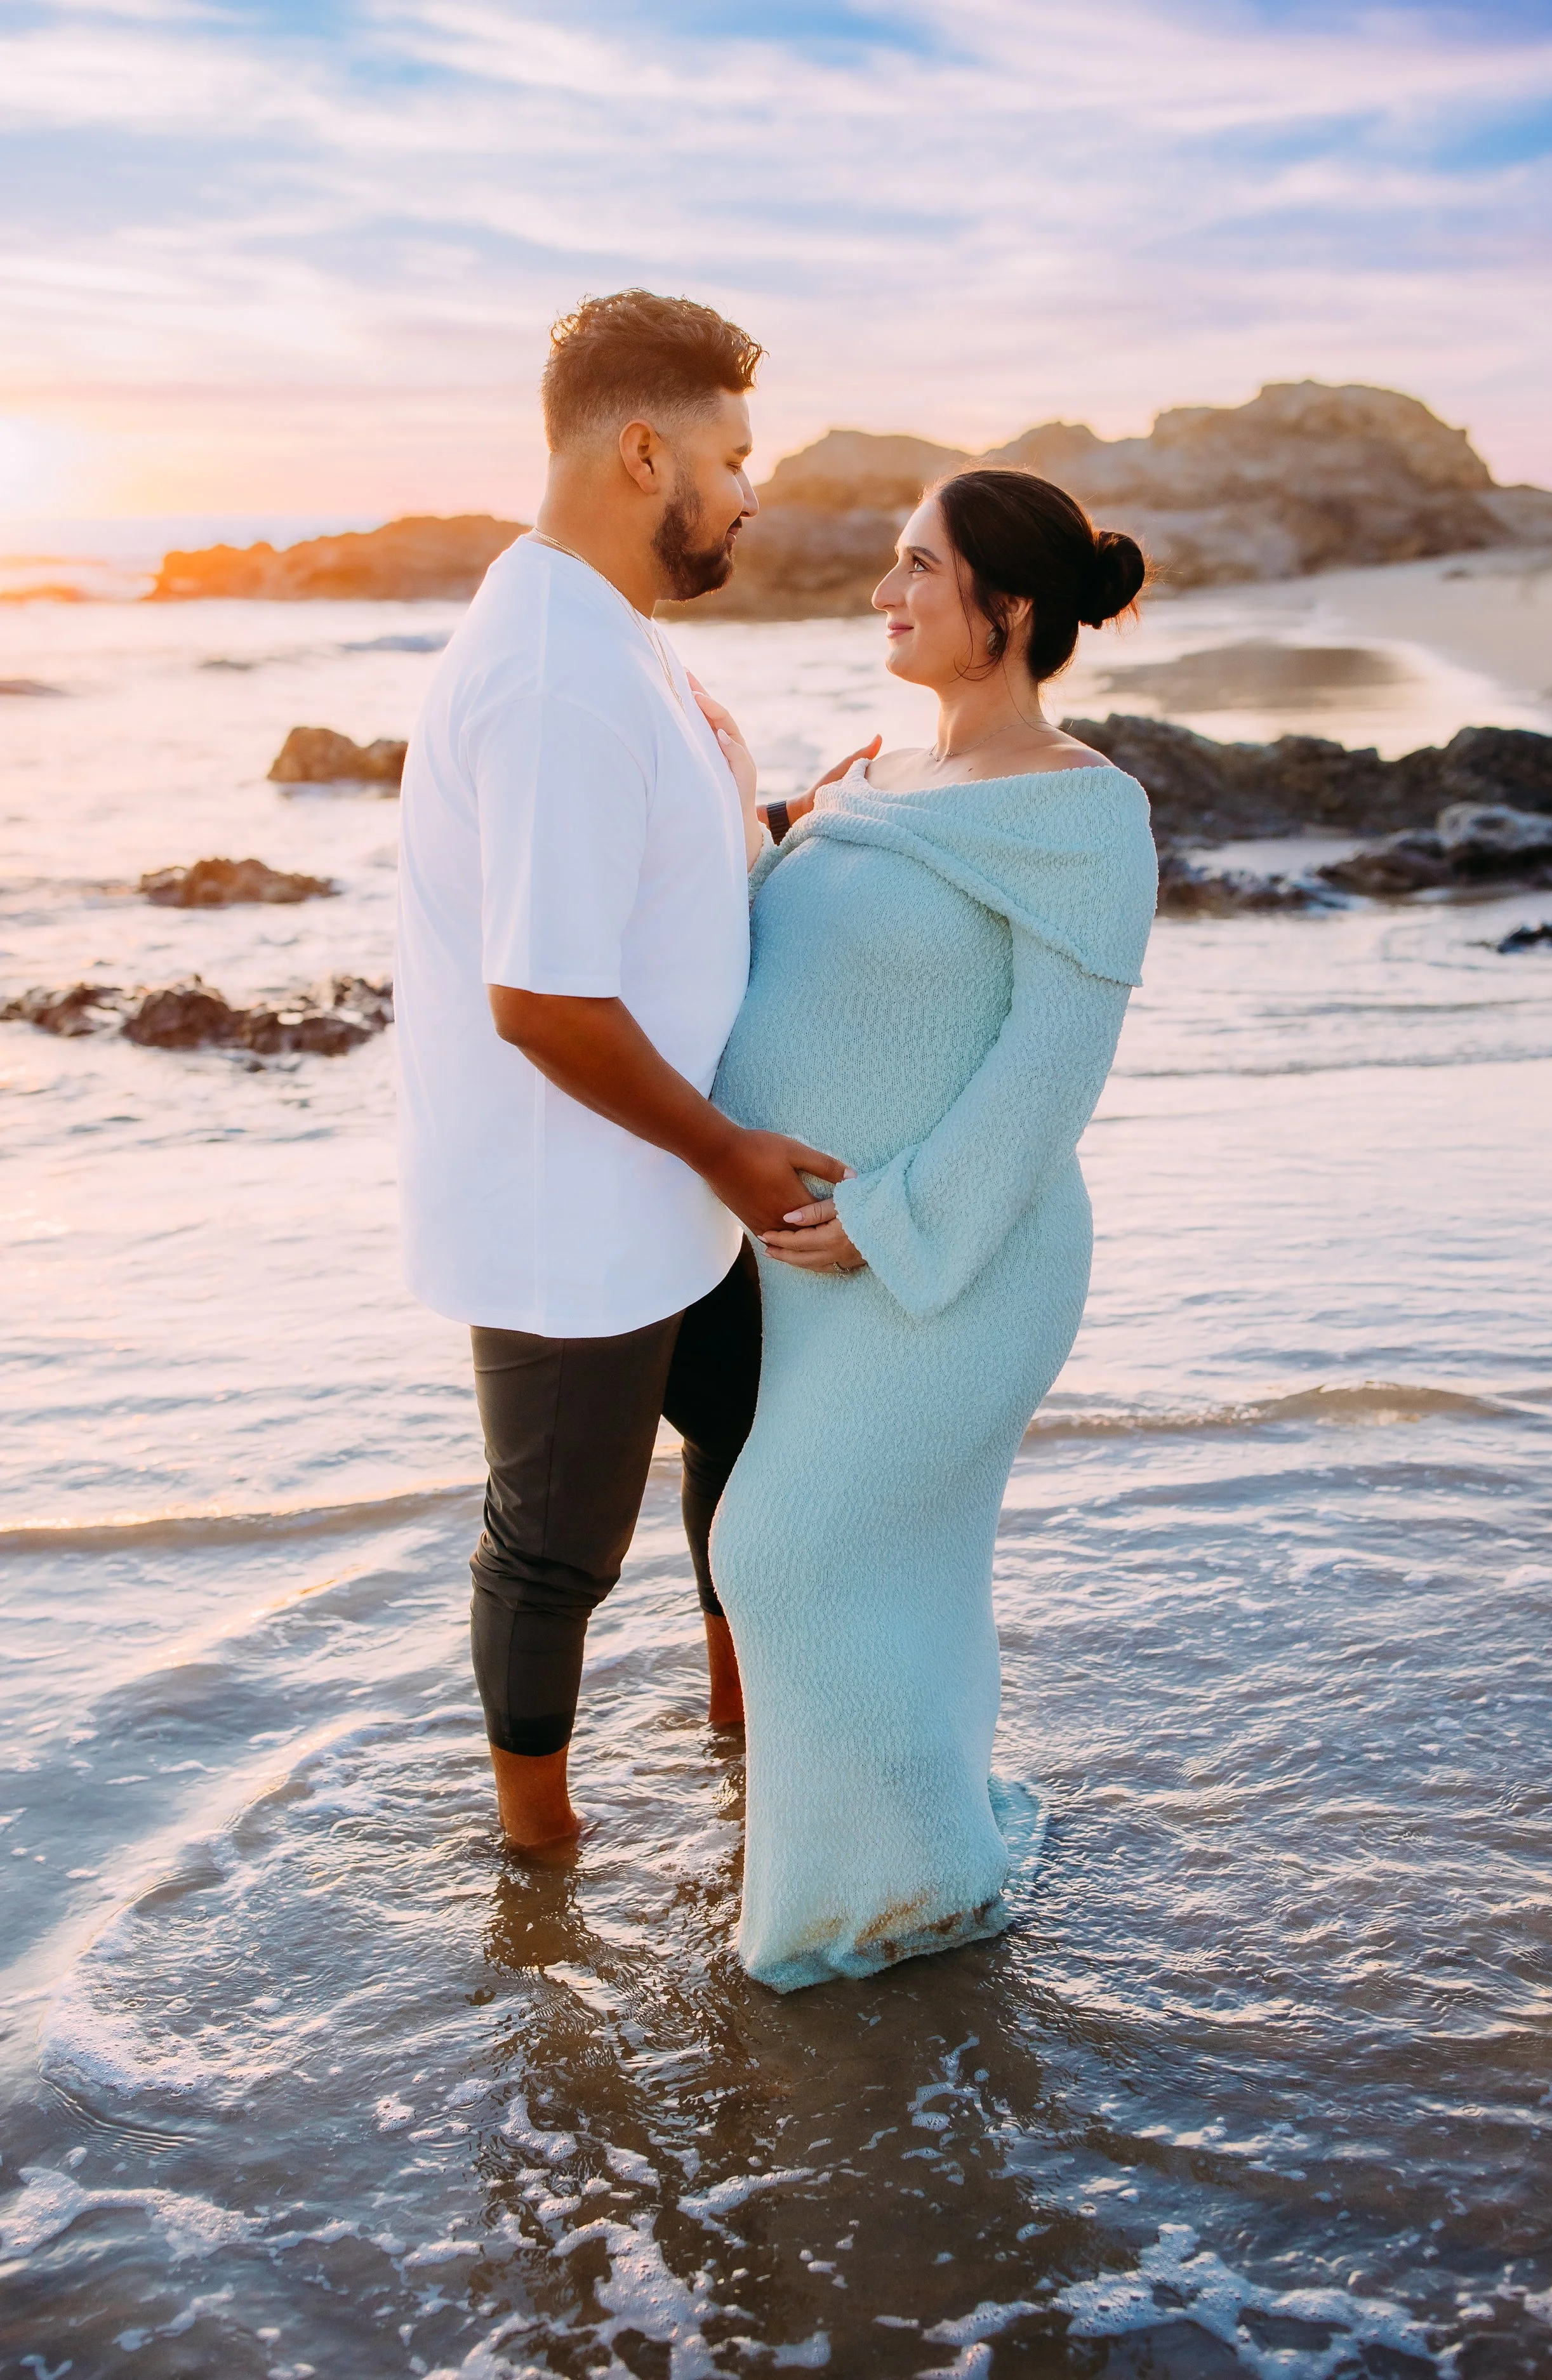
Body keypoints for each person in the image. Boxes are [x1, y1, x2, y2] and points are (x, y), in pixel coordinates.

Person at [395, 289, 861, 1858]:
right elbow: (538, 997)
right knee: (553, 1551)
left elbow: (659, 881)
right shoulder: (552, 670)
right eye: (732, 458)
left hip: (676, 1184)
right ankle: (538, 1860)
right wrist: (729, 1150)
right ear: (644, 449)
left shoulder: (616, 639)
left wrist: (797, 823)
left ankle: (755, 1761)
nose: (751, 493)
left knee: (748, 1461)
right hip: (574, 1203)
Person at [709, 466, 1160, 1990]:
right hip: (821, 1276)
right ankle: (915, 1874)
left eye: (918, 568)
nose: (884, 593)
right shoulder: (876, 782)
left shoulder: (1086, 811)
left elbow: (1047, 1080)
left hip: (951, 1267)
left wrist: (890, 1219)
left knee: (779, 1548)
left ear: (1009, 611)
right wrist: (736, 798)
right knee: (896, 1570)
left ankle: (861, 1918)